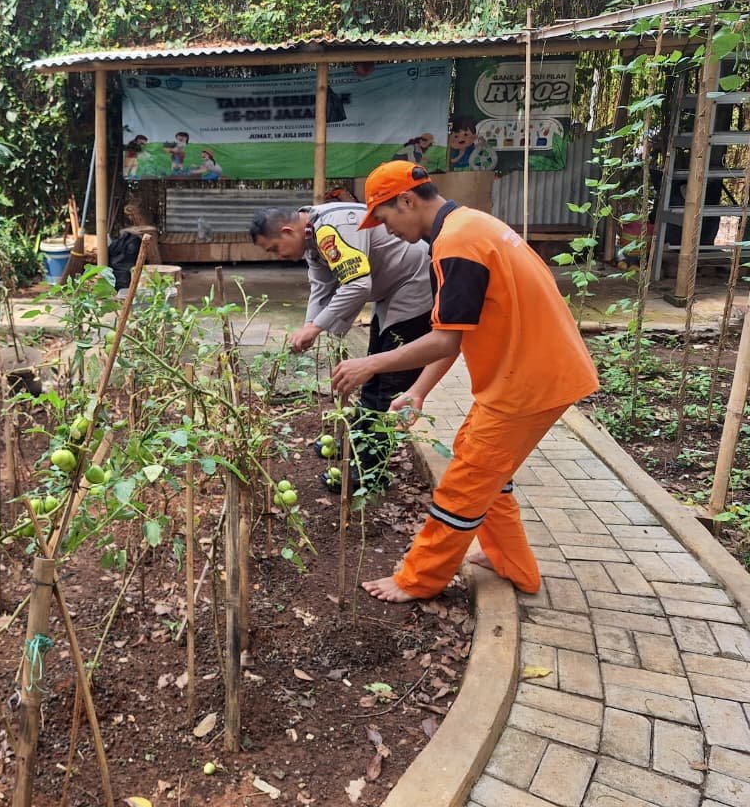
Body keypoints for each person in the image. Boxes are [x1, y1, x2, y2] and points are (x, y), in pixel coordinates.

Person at [331, 161, 599, 602]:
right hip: (530, 374)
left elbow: (444, 339)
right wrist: (417, 391)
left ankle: (418, 579)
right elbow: (456, 333)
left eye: (384, 218)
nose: (386, 230)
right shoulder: (470, 225)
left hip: (529, 383)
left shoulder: (456, 243)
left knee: (466, 481)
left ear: (406, 201)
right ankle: (510, 561)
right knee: (478, 462)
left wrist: (372, 363)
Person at [249, 197, 434, 492]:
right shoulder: (312, 236)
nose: (278, 255)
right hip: (392, 290)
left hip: (414, 284)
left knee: (389, 384)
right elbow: (321, 286)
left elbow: (358, 284)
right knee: (373, 374)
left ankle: (371, 473)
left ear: (287, 231)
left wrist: (317, 326)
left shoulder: (329, 228)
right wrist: (309, 326)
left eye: (274, 248)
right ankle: (358, 443)